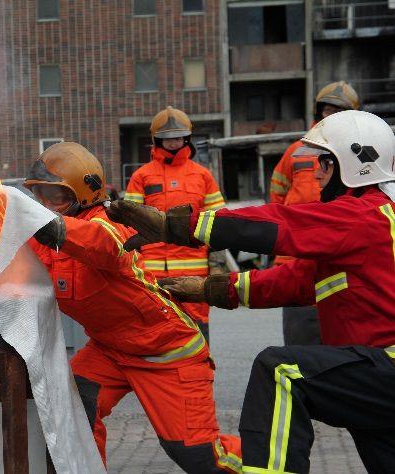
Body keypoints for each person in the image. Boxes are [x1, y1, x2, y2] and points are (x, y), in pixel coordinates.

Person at [107, 110, 395, 473]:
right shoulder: (366, 223)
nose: (316, 172)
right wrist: (211, 289)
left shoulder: (361, 216)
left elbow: (280, 223)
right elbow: (292, 282)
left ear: (355, 164)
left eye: (325, 161)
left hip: (384, 366)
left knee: (281, 372)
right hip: (375, 370)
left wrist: (177, 226)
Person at [25, 142, 241, 473]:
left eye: (55, 196)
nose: (45, 205)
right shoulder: (49, 238)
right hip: (110, 350)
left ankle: (272, 461)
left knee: (198, 458)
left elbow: (105, 245)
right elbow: (14, 260)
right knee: (72, 411)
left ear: (84, 193)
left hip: (166, 351)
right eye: (40, 194)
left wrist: (53, 227)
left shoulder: (108, 224)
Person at [269, 81, 360, 346]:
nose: (330, 116)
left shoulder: (359, 151)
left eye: (338, 111)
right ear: (318, 113)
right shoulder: (296, 152)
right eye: (327, 110)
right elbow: (278, 196)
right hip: (296, 256)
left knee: (343, 345)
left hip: (340, 256)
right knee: (300, 345)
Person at [125, 106, 225, 342]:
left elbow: (220, 223)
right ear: (156, 140)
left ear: (187, 138)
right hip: (152, 276)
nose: (172, 143)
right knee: (158, 338)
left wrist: (218, 264)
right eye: (167, 139)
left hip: (195, 277)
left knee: (197, 337)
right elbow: (128, 225)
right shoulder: (142, 176)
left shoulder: (202, 176)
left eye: (177, 138)